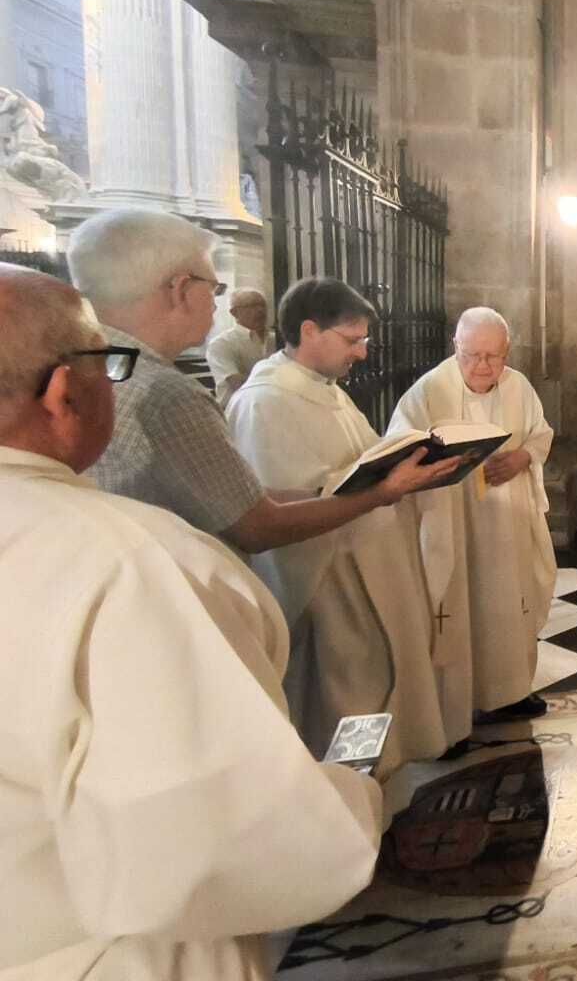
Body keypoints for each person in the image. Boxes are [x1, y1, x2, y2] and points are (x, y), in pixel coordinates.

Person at [0, 264, 381, 980]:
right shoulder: (134, 564)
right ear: (61, 394)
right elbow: (230, 836)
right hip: (110, 953)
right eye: (105, 366)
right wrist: (352, 796)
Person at [66, 208, 458, 559]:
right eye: (214, 288)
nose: (216, 302)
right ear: (181, 289)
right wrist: (381, 493)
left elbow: (236, 494)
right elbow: (257, 526)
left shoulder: (84, 367)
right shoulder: (166, 393)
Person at [228, 278, 452, 773]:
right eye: (353, 340)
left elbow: (366, 460)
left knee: (372, 693)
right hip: (327, 589)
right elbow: (268, 513)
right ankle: (342, 808)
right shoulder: (264, 402)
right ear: (310, 330)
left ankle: (373, 798)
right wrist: (379, 488)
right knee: (341, 703)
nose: (363, 353)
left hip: (367, 573)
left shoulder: (327, 392)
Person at [390, 307, 557, 741]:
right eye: (472, 355)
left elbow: (541, 434)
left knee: (508, 604)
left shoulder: (519, 386)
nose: (483, 366)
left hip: (508, 526)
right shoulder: (427, 392)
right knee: (455, 611)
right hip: (452, 522)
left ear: (507, 352)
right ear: (455, 348)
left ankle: (511, 692)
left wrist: (523, 456)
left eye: (494, 356)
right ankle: (451, 717)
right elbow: (397, 450)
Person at [206, 287, 270, 410]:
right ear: (234, 312)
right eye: (252, 306)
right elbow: (237, 383)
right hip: (236, 413)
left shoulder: (277, 339)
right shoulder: (221, 344)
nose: (260, 310)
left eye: (262, 305)